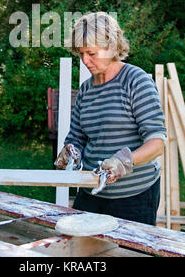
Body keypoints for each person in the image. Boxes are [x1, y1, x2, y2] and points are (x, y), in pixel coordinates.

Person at [55, 12, 167, 226]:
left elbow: (156, 143)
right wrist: (71, 151)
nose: (85, 61)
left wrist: (123, 161)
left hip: (134, 196)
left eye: (92, 53)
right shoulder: (86, 90)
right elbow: (76, 137)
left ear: (113, 47)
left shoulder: (136, 81)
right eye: (81, 54)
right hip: (91, 192)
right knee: (80, 250)